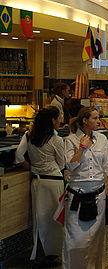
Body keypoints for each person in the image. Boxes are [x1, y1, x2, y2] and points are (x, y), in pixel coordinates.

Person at [64, 107, 108, 269]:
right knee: (75, 239)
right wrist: (82, 148)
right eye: (95, 118)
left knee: (97, 237)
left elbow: (107, 163)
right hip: (77, 195)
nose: (98, 121)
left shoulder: (101, 139)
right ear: (85, 120)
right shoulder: (71, 140)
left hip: (98, 194)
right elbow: (70, 165)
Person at [15, 106, 64, 266]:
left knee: (39, 219)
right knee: (55, 218)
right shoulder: (56, 139)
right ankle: (53, 253)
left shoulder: (29, 135)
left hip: (37, 181)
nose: (60, 120)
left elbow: (18, 156)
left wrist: (31, 166)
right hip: (54, 180)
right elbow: (62, 163)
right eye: (59, 118)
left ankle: (39, 253)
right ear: (52, 120)